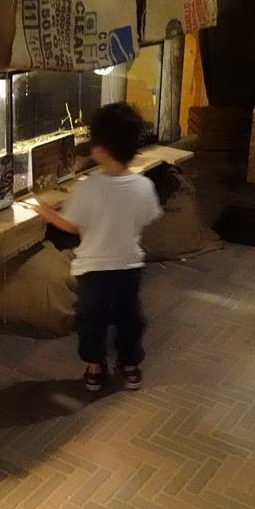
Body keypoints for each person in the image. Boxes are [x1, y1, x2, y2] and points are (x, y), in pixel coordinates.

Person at [31, 103, 162, 391]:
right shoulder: (143, 186)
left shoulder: (88, 187)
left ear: (99, 149)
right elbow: (143, 224)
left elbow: (70, 226)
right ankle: (129, 364)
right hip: (129, 266)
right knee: (130, 316)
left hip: (93, 269)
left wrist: (43, 211)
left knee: (92, 317)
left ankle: (94, 364)